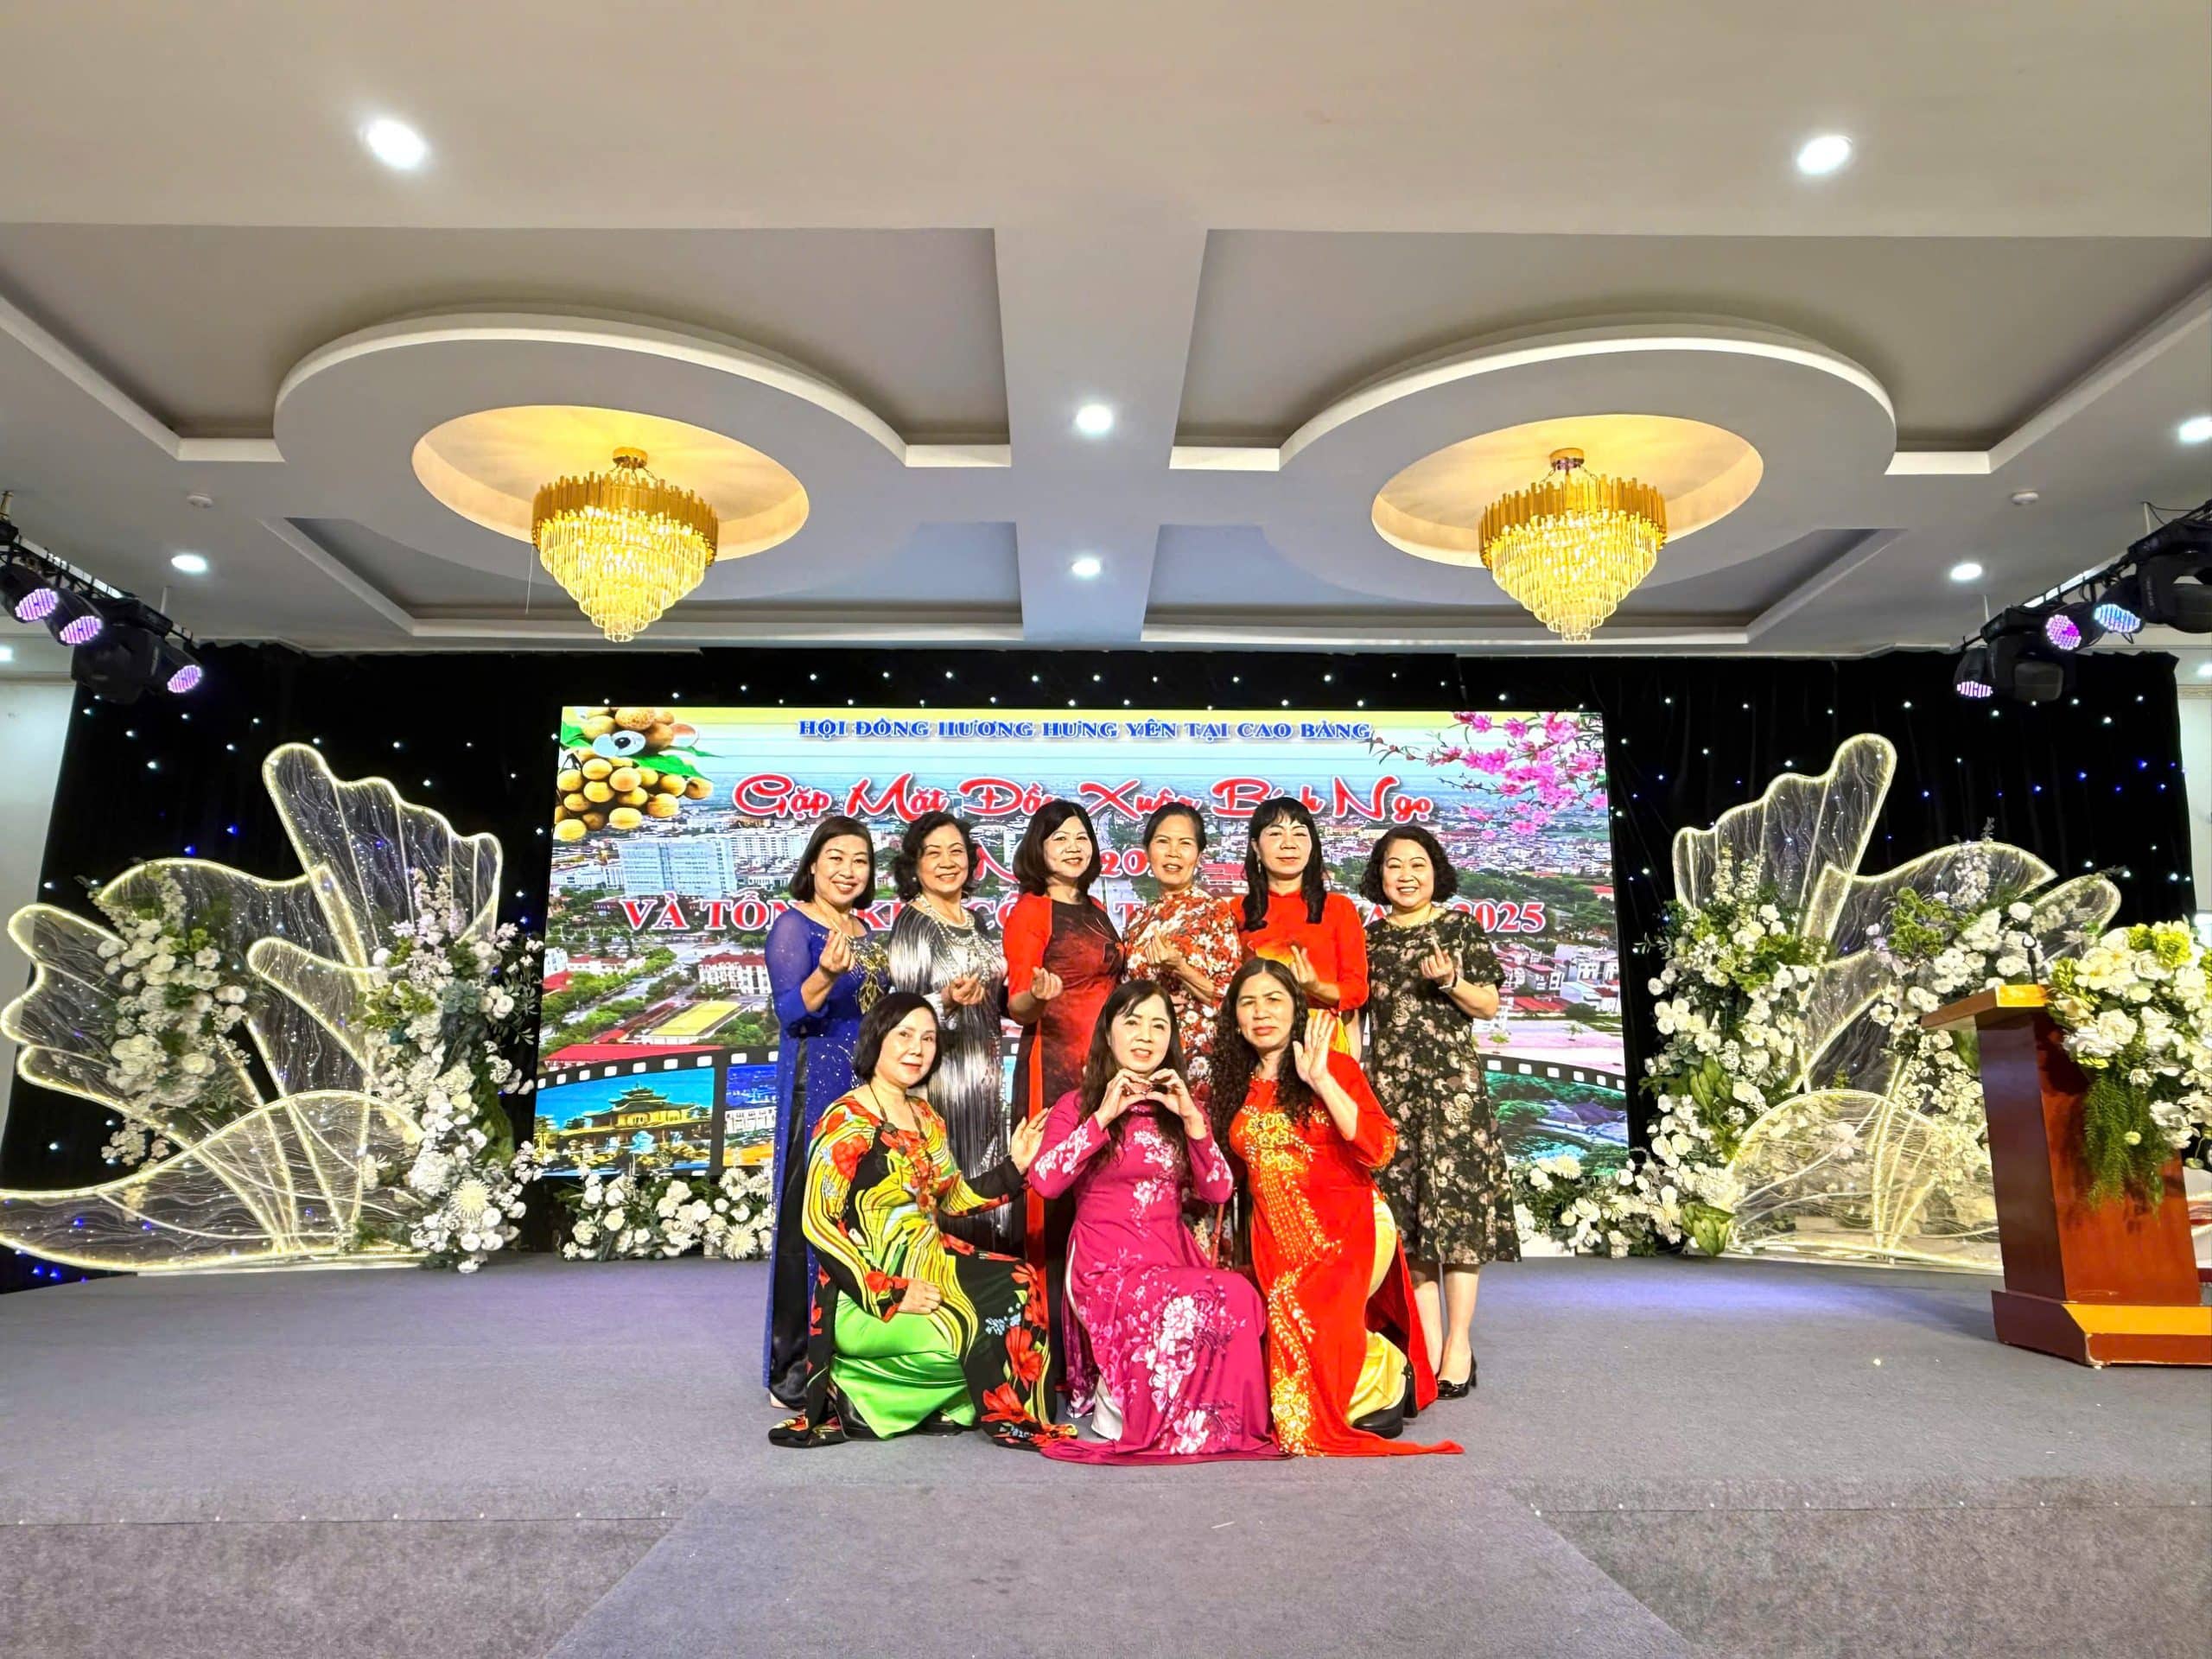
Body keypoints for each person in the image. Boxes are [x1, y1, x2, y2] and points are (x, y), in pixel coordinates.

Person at [769, 994, 1065, 1450]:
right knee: (970, 1332)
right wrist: (891, 1292)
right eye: (904, 1035)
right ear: (876, 1040)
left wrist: (1015, 1167)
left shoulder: (926, 1117)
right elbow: (817, 1223)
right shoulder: (845, 1120)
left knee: (1020, 1286)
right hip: (864, 1294)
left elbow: (952, 1198)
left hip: (933, 1265)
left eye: (928, 1038)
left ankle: (941, 1404)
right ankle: (860, 1396)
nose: (917, 1048)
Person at [1213, 957, 1459, 1458]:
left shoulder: (1334, 1067)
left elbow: (1379, 1149)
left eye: (1274, 999)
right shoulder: (1234, 1084)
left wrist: (1322, 1080)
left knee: (1295, 1316)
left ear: (1295, 1008)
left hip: (1348, 1229)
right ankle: (1367, 1369)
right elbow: (1224, 1174)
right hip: (1276, 1239)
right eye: (1248, 1002)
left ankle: (1387, 1370)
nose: (1262, 1012)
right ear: (1234, 1018)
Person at [1026, 981, 1276, 1465]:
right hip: (1105, 1268)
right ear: (1109, 1034)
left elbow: (1219, 1191)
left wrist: (1194, 1123)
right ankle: (1149, 1414)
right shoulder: (1076, 1106)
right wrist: (1102, 1117)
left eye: (1159, 1025)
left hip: (1169, 1260)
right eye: (1133, 1022)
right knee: (1184, 1296)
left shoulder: (1181, 1109)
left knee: (1239, 1294)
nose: (1146, 1035)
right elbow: (1046, 1181)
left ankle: (1215, 1422)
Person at [1360, 827, 1515, 1397]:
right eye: (1393, 865)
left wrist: (1451, 980)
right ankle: (1425, 1348)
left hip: (1452, 1096)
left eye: (1417, 864)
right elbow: (1355, 1018)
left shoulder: (1459, 928)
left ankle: (1459, 1347)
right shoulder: (1369, 939)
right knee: (1411, 1227)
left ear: (1436, 871)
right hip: (1392, 1095)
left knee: (1457, 1222)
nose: (1405, 875)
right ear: (1379, 875)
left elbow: (1489, 1004)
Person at [761, 816, 890, 1407]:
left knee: (859, 1219)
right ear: (813, 864)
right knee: (807, 1220)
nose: (848, 870)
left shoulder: (869, 932)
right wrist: (824, 974)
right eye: (836, 857)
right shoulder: (793, 926)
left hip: (868, 1090)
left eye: (860, 860)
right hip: (817, 1085)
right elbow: (791, 1012)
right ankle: (793, 1363)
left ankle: (850, 1355)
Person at [1003, 799, 1123, 1264]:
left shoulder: (1095, 907)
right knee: (1055, 1185)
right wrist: (1039, 996)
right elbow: (1018, 1005)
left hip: (1107, 1067)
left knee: (1103, 1186)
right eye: (1061, 839)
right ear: (1039, 848)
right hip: (1055, 1068)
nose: (1074, 847)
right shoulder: (1031, 911)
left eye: (1082, 838)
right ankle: (1048, 1300)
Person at [887, 811, 1013, 1252]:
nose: (947, 862)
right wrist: (946, 1001)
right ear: (914, 865)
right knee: (948, 1188)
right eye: (933, 853)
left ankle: (989, 1281)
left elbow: (996, 996)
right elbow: (904, 1016)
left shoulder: (977, 921)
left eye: (956, 851)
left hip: (984, 1077)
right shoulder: (912, 924)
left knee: (986, 1184)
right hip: (941, 1084)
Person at [1120, 803, 1243, 1102]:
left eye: (1185, 844)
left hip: (1201, 1059)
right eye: (1163, 842)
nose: (1173, 852)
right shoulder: (1137, 921)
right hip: (1148, 1055)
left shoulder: (1214, 912)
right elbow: (1125, 995)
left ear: (1198, 855)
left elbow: (1233, 998)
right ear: (1147, 851)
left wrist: (1180, 967)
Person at [1236, 797, 1368, 1051]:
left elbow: (1356, 991)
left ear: (1312, 845)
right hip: (1257, 1042)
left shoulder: (1339, 908)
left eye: (1299, 833)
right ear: (1256, 847)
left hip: (1322, 1045)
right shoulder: (1237, 911)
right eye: (1276, 833)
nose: (1289, 844)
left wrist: (1315, 987)